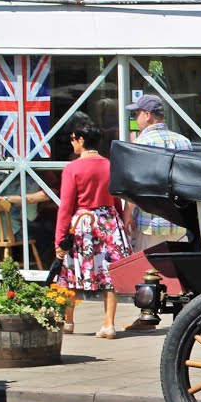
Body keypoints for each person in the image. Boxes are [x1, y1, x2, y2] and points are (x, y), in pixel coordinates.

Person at [53, 113, 132, 339]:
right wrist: (118, 220)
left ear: (80, 139)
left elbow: (66, 207)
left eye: (72, 139)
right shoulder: (109, 165)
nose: (72, 143)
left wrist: (59, 239)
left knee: (70, 271)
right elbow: (116, 198)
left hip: (83, 223)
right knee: (110, 274)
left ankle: (68, 321)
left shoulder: (72, 168)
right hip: (108, 220)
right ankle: (109, 324)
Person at [120, 94, 191, 331]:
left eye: (137, 114)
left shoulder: (141, 143)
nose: (135, 118)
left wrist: (128, 212)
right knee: (178, 269)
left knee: (149, 270)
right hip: (179, 219)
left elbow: (134, 184)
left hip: (151, 218)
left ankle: (147, 315)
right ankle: (181, 316)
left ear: (148, 115)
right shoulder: (183, 141)